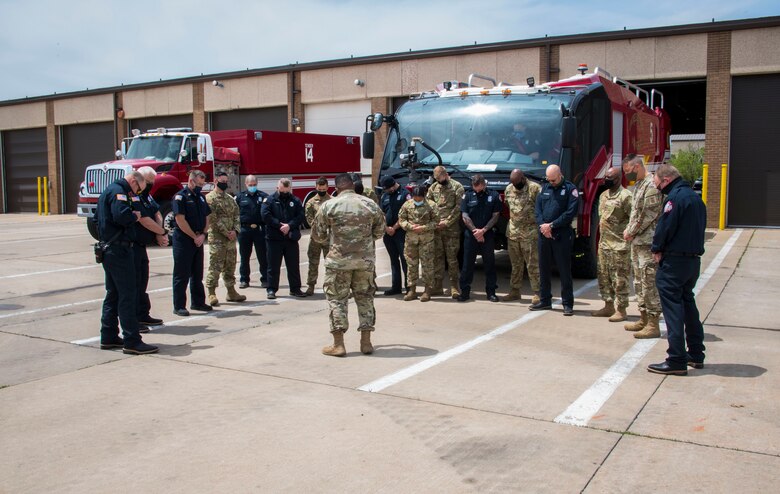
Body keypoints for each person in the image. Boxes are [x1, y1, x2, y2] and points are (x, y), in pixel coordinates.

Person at [311, 173, 385, 357]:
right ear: (353, 185)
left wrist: (335, 239)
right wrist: (363, 241)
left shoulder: (329, 205)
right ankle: (366, 343)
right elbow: (380, 231)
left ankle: (339, 345)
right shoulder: (369, 204)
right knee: (365, 298)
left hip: (338, 262)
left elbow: (317, 235)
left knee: (337, 300)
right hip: (364, 261)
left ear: (336, 188)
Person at [647, 164, 707, 376]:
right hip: (692, 261)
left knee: (673, 311)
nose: (657, 188)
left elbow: (665, 227)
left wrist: (656, 248)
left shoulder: (674, 199)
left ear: (666, 180)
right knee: (688, 306)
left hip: (674, 263)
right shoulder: (695, 198)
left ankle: (676, 359)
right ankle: (696, 353)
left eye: (657, 184)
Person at [96, 170, 158, 355]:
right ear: (133, 181)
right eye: (138, 188)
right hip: (119, 250)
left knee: (113, 294)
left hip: (111, 249)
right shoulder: (119, 192)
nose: (138, 193)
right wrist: (135, 216)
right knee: (127, 295)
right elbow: (121, 216)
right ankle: (132, 340)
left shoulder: (110, 190)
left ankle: (108, 336)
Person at [622, 155, 663, 338]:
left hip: (647, 242)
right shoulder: (638, 185)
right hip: (638, 243)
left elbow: (648, 215)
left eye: (628, 171)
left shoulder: (651, 185)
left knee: (649, 283)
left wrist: (630, 230)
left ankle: (654, 324)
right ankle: (644, 318)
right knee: (638, 282)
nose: (627, 175)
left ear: (637, 166)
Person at [531, 164, 578, 315]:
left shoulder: (571, 189)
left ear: (560, 175)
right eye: (549, 180)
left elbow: (570, 213)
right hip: (544, 235)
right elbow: (537, 210)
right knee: (543, 269)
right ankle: (545, 300)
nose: (551, 182)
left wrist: (552, 225)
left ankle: (567, 304)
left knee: (564, 270)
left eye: (554, 180)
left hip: (561, 235)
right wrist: (543, 226)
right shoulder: (545, 188)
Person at [592, 167, 633, 321]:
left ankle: (621, 310)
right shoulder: (603, 196)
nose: (606, 180)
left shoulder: (626, 196)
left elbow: (633, 219)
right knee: (603, 276)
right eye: (606, 177)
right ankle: (608, 306)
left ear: (618, 178)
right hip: (604, 245)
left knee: (620, 279)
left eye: (610, 177)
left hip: (620, 246)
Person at [172, 169, 212, 317]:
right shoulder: (180, 197)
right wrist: (194, 236)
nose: (201, 186)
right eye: (199, 183)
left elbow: (208, 216)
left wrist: (203, 234)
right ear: (191, 181)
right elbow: (180, 220)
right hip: (184, 239)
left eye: (203, 183)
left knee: (197, 273)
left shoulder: (200, 198)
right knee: (181, 274)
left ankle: (198, 302)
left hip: (198, 239)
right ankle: (179, 306)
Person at [133, 166, 168, 331]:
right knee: (134, 285)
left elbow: (157, 213)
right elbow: (144, 219)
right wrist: (161, 232)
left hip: (142, 246)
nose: (150, 186)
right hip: (131, 246)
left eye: (152, 183)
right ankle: (134, 321)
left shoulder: (147, 196)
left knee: (142, 282)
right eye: (148, 182)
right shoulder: (133, 196)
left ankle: (143, 314)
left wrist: (159, 234)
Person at [458, 174, 502, 302]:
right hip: (471, 235)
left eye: (479, 187)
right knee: (467, 265)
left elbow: (495, 216)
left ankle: (491, 292)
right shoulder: (467, 195)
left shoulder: (493, 195)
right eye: (474, 187)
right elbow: (465, 216)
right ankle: (465, 292)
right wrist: (475, 231)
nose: (477, 190)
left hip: (487, 234)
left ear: (484, 184)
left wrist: (483, 230)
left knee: (489, 264)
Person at [205, 172, 246, 307]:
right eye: (222, 181)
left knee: (230, 265)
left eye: (226, 181)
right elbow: (213, 218)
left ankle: (231, 292)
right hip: (217, 238)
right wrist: (226, 232)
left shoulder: (230, 199)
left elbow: (236, 215)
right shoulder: (210, 198)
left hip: (231, 239)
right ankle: (211, 293)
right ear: (216, 181)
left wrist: (235, 230)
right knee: (215, 265)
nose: (225, 183)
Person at [261, 178, 306, 299]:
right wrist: (280, 225)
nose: (285, 194)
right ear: (277, 188)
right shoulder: (269, 200)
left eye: (287, 191)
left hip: (290, 238)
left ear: (290, 189)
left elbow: (300, 216)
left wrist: (290, 226)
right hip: (274, 238)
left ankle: (295, 288)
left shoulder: (295, 200)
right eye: (282, 191)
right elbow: (265, 216)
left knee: (293, 265)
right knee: (273, 266)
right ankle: (271, 289)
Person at [503, 169, 542, 303]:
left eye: (517, 182)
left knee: (532, 265)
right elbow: (508, 206)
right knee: (516, 265)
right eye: (512, 183)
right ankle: (514, 291)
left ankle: (537, 292)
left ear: (523, 178)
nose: (515, 185)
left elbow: (541, 208)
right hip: (513, 233)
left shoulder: (535, 189)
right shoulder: (508, 189)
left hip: (530, 234)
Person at [426, 166, 465, 298]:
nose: (438, 181)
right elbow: (428, 203)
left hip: (451, 230)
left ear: (445, 174)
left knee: (452, 258)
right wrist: (434, 221)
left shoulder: (457, 187)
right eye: (436, 179)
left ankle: (454, 286)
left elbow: (458, 208)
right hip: (437, 229)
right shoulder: (433, 187)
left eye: (440, 178)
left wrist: (447, 222)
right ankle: (438, 286)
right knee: (437, 258)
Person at [399, 186, 439, 302]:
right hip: (411, 240)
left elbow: (436, 221)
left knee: (427, 265)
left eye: (419, 198)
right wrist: (410, 226)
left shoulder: (431, 205)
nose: (417, 200)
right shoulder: (407, 205)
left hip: (426, 240)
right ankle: (412, 290)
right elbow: (401, 219)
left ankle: (427, 291)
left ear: (424, 196)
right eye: (415, 198)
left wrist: (424, 228)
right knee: (411, 265)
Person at [236, 175, 269, 289]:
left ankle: (265, 279)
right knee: (244, 257)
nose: (252, 187)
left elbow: (268, 212)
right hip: (244, 230)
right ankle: (244, 280)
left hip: (259, 230)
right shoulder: (239, 197)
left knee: (263, 256)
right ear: (246, 184)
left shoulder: (263, 196)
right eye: (250, 185)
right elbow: (234, 214)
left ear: (257, 183)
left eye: (254, 185)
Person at [379, 176, 410, 296]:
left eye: (388, 189)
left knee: (404, 259)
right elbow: (381, 213)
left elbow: (406, 214)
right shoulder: (385, 196)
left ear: (393, 185)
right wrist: (387, 228)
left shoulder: (405, 194)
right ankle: (396, 287)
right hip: (388, 233)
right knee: (393, 260)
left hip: (401, 232)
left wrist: (395, 228)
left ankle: (409, 287)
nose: (387, 191)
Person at [304, 176, 331, 296]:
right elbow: (309, 219)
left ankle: (331, 286)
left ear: (327, 187)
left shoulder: (332, 200)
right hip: (315, 238)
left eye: (323, 188)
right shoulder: (311, 202)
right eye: (319, 188)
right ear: (316, 187)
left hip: (329, 238)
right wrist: (319, 229)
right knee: (313, 263)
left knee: (330, 264)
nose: (321, 190)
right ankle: (311, 285)